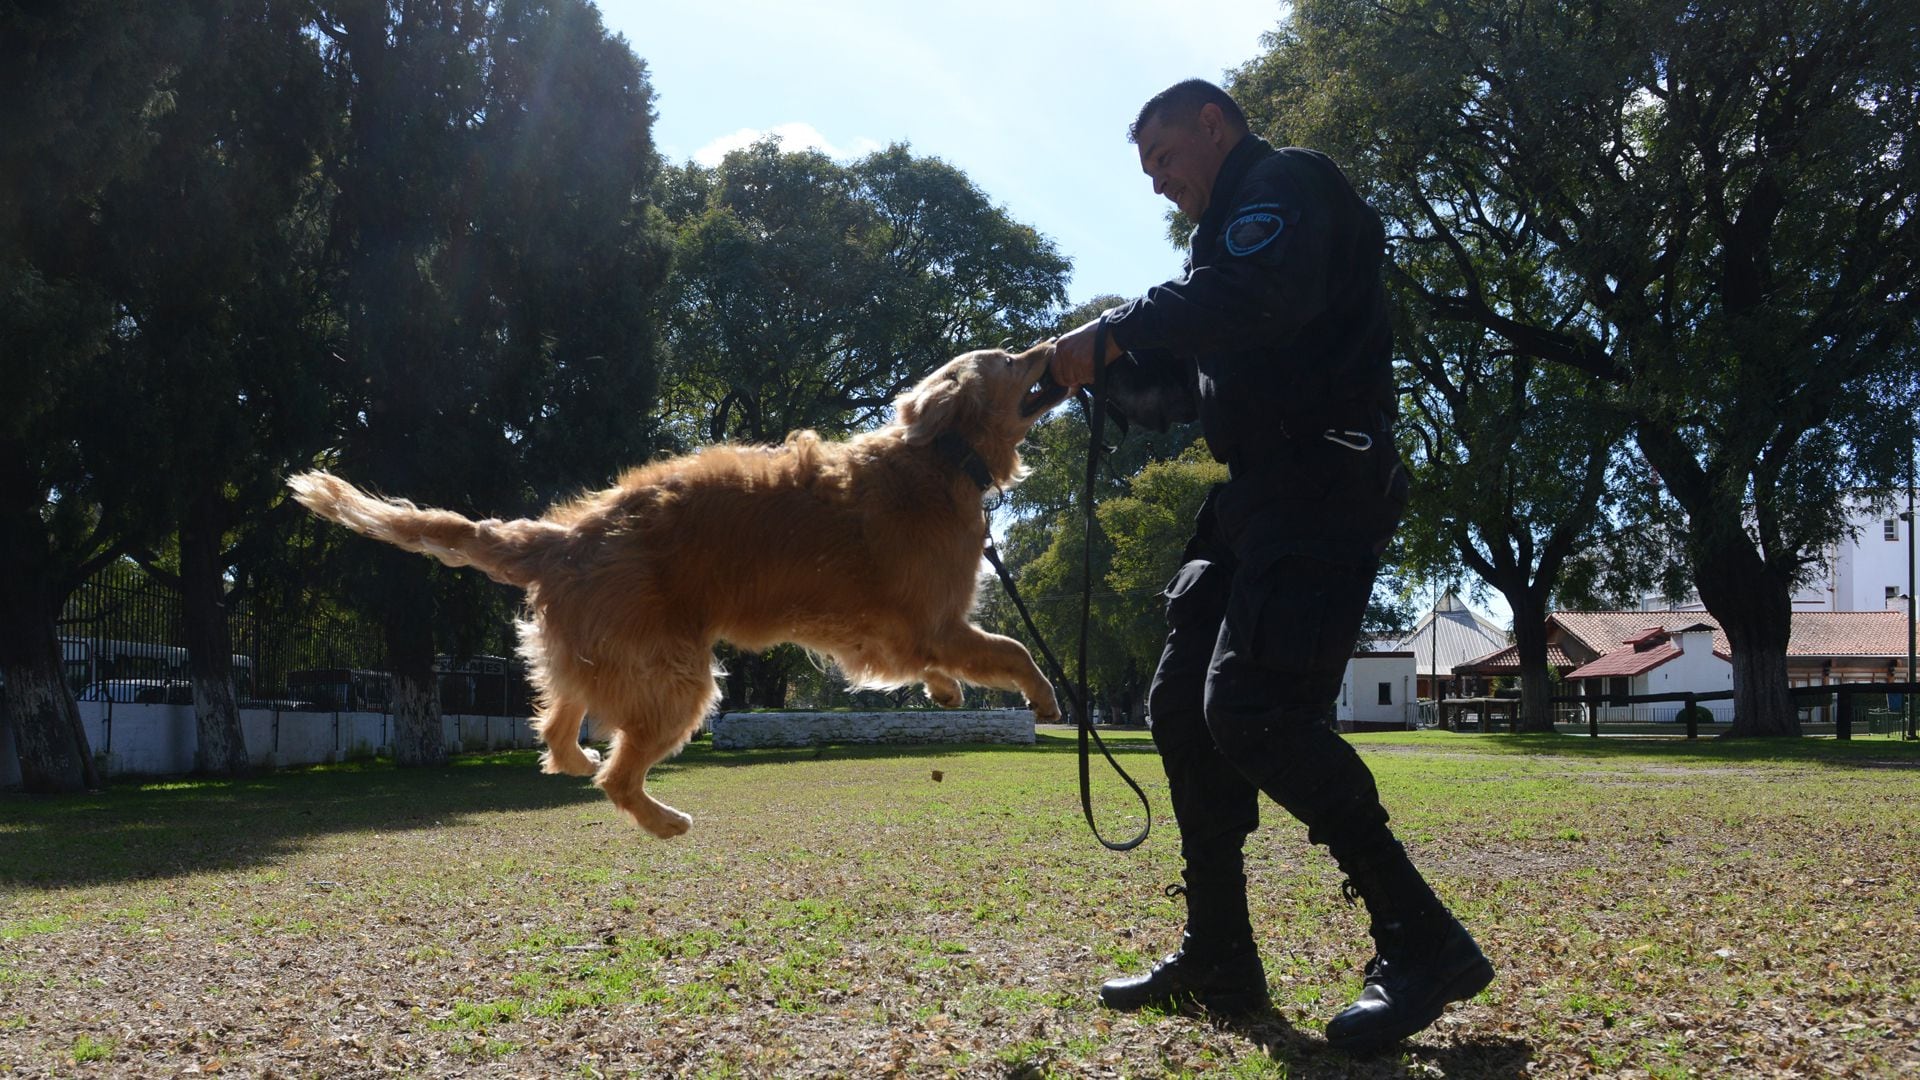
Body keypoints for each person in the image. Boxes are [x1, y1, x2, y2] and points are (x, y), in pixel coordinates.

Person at [1049, 78, 1493, 1053]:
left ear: (1215, 126)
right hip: (1254, 496)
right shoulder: (1218, 250)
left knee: (1254, 708)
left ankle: (1423, 941)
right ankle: (1221, 953)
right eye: (1148, 169)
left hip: (1326, 477)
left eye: (1165, 156)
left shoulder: (1289, 188)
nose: (1158, 182)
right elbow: (1181, 384)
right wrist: (1074, 374)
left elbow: (1258, 299)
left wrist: (1116, 327)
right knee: (1180, 706)